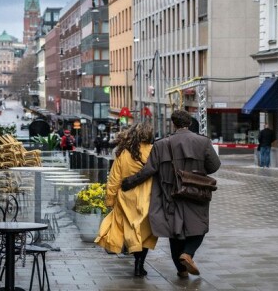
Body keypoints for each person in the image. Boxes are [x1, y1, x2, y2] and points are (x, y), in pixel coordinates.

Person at [121, 110, 221, 278]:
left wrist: (129, 182)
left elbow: (149, 170)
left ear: (173, 124)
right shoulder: (203, 142)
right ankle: (188, 254)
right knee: (199, 227)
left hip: (170, 194)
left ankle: (181, 270)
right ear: (189, 123)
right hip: (196, 192)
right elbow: (214, 166)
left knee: (176, 232)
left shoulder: (161, 144)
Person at [95, 122, 157, 277]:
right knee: (145, 233)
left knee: (132, 230)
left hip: (127, 197)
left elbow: (114, 179)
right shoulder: (154, 152)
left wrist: (110, 200)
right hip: (148, 197)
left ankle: (136, 262)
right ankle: (139, 264)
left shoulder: (124, 153)